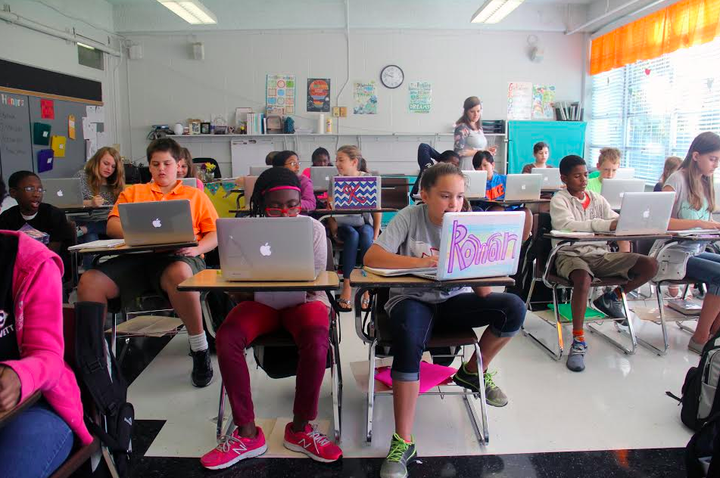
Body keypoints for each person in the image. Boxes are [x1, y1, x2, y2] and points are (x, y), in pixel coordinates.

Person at [363, 163, 526, 478]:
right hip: (412, 300)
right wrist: (425, 262)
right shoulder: (410, 216)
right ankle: (403, 441)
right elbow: (372, 258)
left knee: (514, 308)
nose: (454, 204)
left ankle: (470, 372)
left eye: (460, 197)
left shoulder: (470, 222)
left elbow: (483, 291)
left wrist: (477, 263)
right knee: (409, 341)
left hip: (453, 301)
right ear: (424, 194)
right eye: (445, 196)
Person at [200, 167, 342, 470]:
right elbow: (233, 276)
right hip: (260, 302)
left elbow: (317, 279)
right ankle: (247, 433)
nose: (285, 212)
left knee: (317, 339)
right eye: (275, 207)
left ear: (300, 202)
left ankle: (301, 428)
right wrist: (245, 289)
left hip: (304, 301)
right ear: (262, 206)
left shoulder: (313, 228)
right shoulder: (245, 229)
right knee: (227, 337)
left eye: (292, 205)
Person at [76, 138, 219, 387]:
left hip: (180, 256)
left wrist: (198, 248)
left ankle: (199, 348)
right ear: (150, 167)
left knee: (178, 272)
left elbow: (215, 233)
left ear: (179, 164)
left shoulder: (194, 195)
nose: (161, 169)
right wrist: (140, 234)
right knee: (90, 281)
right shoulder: (133, 192)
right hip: (138, 256)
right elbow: (111, 225)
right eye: (155, 164)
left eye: (167, 163)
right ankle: (96, 357)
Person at [0, 175, 93, 478]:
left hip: (36, 403)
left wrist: (17, 375)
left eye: (38, 187)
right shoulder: (10, 218)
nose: (36, 193)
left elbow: (49, 357)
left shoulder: (30, 262)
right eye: (29, 188)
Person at [550, 155, 658, 372]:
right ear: (564, 178)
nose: (583, 179)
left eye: (585, 174)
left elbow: (613, 220)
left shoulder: (597, 198)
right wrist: (606, 224)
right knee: (583, 279)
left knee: (650, 265)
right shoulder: (559, 199)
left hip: (600, 254)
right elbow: (567, 225)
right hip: (569, 254)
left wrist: (625, 222)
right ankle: (579, 340)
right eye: (577, 175)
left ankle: (612, 297)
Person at [661, 132, 720, 353]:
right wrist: (699, 224)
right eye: (712, 159)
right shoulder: (677, 179)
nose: (715, 165)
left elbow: (706, 221)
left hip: (696, 249)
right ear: (696, 155)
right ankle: (700, 337)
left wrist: (712, 225)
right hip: (674, 253)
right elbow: (661, 221)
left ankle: (714, 333)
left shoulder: (706, 181)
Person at [329, 145, 381, 312]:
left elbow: (376, 209)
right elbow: (330, 212)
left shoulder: (369, 179)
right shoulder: (335, 181)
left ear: (354, 162)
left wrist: (376, 233)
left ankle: (366, 286)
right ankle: (347, 285)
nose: (337, 163)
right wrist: (334, 231)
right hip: (344, 226)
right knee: (352, 235)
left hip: (364, 224)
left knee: (365, 234)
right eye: (336, 160)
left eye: (341, 160)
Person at [0, 171, 74, 277]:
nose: (36, 194)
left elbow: (52, 253)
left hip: (49, 269)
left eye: (40, 189)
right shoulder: (6, 217)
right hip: (17, 271)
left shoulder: (54, 214)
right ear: (13, 193)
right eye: (29, 189)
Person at [75, 148, 126, 267]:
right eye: (106, 164)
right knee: (91, 238)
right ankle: (91, 276)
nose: (109, 169)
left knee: (118, 226)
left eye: (113, 166)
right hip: (84, 219)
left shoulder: (116, 183)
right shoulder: (82, 176)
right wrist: (90, 203)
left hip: (106, 222)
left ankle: (87, 228)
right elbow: (70, 201)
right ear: (96, 161)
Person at [472, 152, 532, 242]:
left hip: (511, 208)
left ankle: (523, 246)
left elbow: (518, 194)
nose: (482, 169)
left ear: (492, 165)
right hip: (489, 210)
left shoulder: (505, 179)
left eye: (485, 165)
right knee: (498, 209)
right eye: (478, 168)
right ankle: (496, 244)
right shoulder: (475, 184)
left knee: (527, 212)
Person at [453, 96, 497, 170]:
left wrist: (488, 151)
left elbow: (478, 148)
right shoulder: (462, 127)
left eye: (478, 111)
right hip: (467, 165)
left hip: (479, 165)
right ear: (466, 112)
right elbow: (459, 152)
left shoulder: (479, 126)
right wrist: (482, 151)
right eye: (472, 111)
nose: (476, 114)